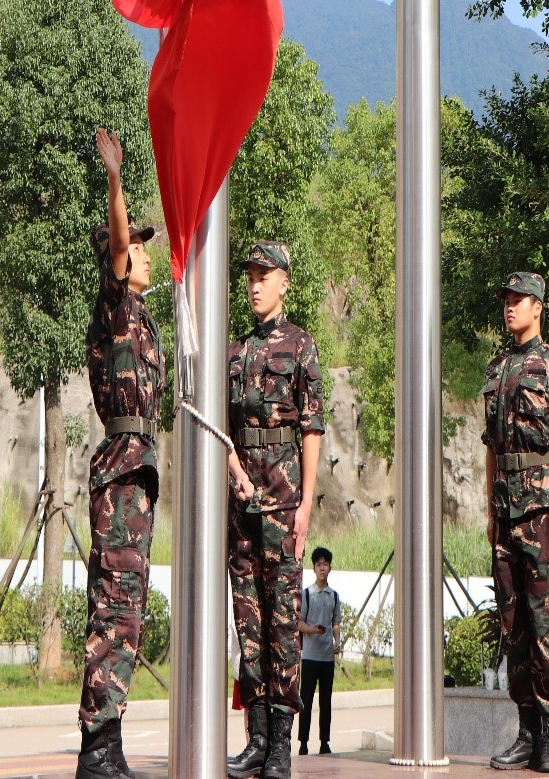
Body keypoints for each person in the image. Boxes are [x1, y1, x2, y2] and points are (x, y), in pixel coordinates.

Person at [77, 128, 164, 779]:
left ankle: (108, 741)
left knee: (127, 608)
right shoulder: (114, 306)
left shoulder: (141, 316)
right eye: (138, 245)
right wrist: (115, 181)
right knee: (113, 605)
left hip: (138, 471)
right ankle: (97, 747)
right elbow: (114, 242)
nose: (145, 253)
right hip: (120, 470)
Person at [225, 240, 325, 779]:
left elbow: (311, 428)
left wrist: (306, 503)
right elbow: (223, 430)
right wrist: (236, 474)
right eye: (250, 277)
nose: (254, 285)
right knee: (248, 625)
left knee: (283, 625)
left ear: (284, 282)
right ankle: (257, 738)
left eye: (264, 276)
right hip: (242, 507)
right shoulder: (236, 351)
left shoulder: (301, 345)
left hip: (284, 506)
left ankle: (282, 744)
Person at [484, 270, 549, 775]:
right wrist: (489, 511)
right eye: (506, 300)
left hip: (542, 514)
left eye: (518, 299)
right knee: (514, 627)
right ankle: (526, 733)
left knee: (545, 625)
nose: (510, 307)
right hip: (504, 514)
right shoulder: (497, 368)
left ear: (538, 306)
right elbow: (491, 447)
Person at [297, 545, 341, 756]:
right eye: (318, 564)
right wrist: (312, 630)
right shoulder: (307, 594)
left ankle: (325, 741)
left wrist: (337, 641)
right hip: (310, 655)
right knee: (306, 700)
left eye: (325, 564)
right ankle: (303, 742)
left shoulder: (334, 596)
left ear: (330, 568)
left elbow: (336, 622)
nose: (322, 568)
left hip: (327, 656)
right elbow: (299, 623)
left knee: (326, 700)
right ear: (314, 568)